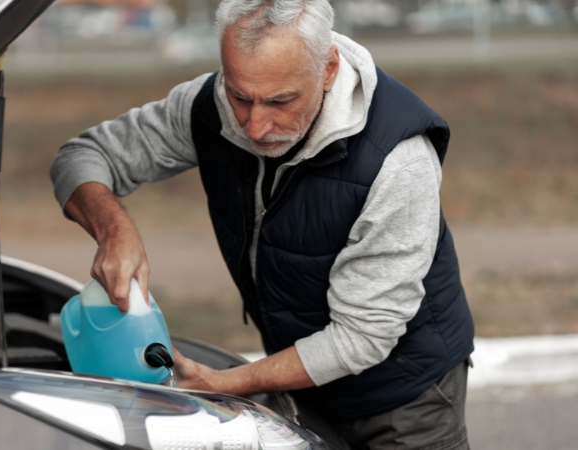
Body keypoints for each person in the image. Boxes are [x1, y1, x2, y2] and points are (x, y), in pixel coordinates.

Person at [50, 0, 474, 448]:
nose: (254, 127)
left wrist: (230, 383)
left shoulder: (398, 161)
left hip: (405, 394)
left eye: (280, 101)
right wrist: (114, 229)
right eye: (240, 96)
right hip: (297, 372)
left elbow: (362, 338)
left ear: (328, 69)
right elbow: (82, 157)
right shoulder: (208, 106)